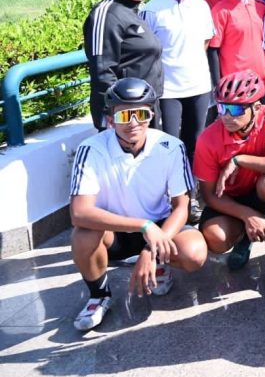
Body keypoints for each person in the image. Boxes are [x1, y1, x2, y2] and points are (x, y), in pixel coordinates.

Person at [69, 78, 206, 331]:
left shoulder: (171, 146)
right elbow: (79, 212)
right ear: (110, 120)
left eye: (140, 114)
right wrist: (143, 226)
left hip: (159, 227)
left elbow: (181, 207)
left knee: (194, 253)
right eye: (124, 115)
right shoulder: (91, 149)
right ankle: (99, 295)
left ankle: (161, 264)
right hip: (115, 231)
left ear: (151, 115)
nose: (133, 123)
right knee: (83, 235)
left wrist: (151, 249)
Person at [194, 70, 265, 270]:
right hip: (231, 198)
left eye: (236, 109)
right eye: (222, 107)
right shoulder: (207, 139)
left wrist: (240, 160)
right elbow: (210, 195)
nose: (227, 116)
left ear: (256, 107)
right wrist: (248, 215)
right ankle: (246, 235)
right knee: (216, 238)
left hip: (262, 191)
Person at [142, 0, 214, 161]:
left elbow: (206, 41)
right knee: (169, 143)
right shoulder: (152, 9)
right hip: (169, 89)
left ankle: (190, 181)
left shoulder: (201, 5)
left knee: (196, 141)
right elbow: (146, 50)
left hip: (199, 86)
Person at [84, 0, 164, 130]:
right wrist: (113, 115)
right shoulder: (107, 13)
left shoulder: (133, 10)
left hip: (144, 106)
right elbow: (102, 71)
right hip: (125, 114)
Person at [209, 0, 265, 94]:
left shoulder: (261, 6)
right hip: (235, 85)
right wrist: (218, 85)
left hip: (264, 82)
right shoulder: (220, 10)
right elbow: (213, 50)